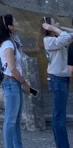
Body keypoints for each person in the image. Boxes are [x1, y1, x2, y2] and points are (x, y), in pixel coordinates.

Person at [0, 13, 32, 148]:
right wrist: (24, 83)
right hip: (11, 83)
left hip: (14, 82)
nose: (17, 23)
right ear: (9, 26)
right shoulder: (7, 44)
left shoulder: (12, 41)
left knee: (16, 120)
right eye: (15, 21)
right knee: (10, 120)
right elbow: (12, 68)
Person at [38, 16, 73, 148]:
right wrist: (53, 28)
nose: (58, 23)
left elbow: (70, 34)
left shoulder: (56, 38)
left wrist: (60, 28)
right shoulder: (48, 40)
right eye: (55, 22)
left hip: (62, 79)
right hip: (57, 79)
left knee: (59, 115)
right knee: (59, 117)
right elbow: (67, 38)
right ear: (47, 27)